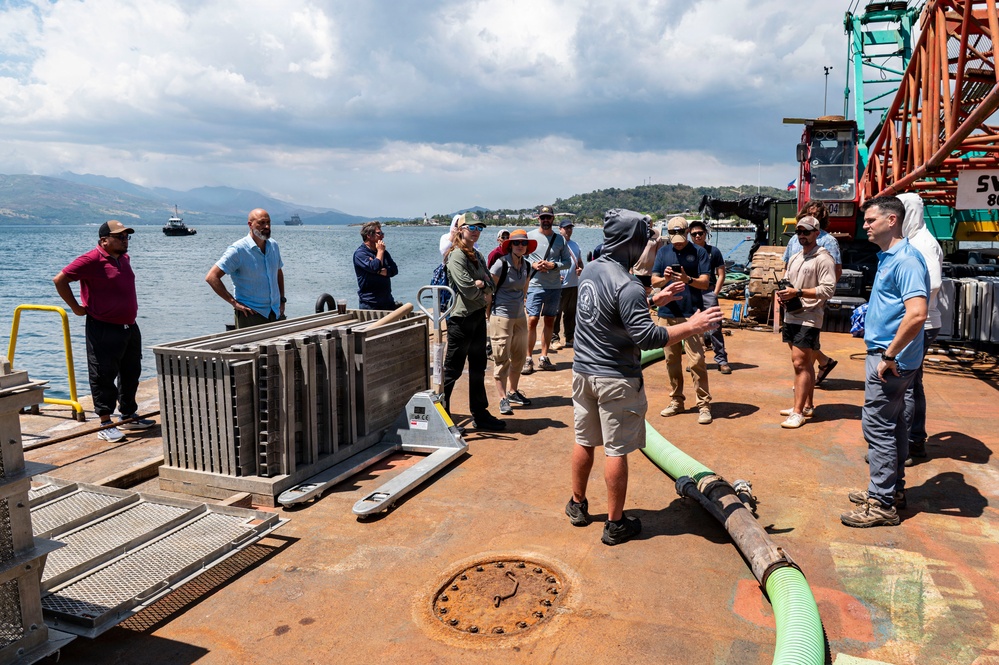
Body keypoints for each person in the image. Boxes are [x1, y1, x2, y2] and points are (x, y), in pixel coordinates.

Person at [566, 208, 722, 545]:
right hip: (615, 379)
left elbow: (607, 314)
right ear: (631, 242)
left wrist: (652, 299)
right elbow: (648, 338)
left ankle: (577, 505)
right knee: (615, 450)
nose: (648, 246)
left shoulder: (592, 268)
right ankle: (615, 524)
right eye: (645, 239)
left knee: (584, 440)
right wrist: (692, 326)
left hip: (582, 372)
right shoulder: (628, 285)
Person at [842, 195, 928, 528]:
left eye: (870, 220)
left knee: (878, 428)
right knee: (895, 427)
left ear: (891, 220)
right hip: (890, 356)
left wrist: (889, 354)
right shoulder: (889, 257)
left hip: (889, 360)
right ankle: (893, 492)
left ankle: (881, 503)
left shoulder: (905, 260)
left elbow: (917, 313)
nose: (864, 225)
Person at [53, 221, 154, 442]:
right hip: (103, 327)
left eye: (127, 236)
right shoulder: (90, 260)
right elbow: (60, 280)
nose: (125, 240)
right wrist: (76, 308)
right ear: (104, 240)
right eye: (120, 237)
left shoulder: (123, 258)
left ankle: (128, 415)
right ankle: (105, 423)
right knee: (103, 375)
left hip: (129, 325)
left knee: (131, 372)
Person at [442, 214, 506, 432]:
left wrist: (482, 284)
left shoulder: (476, 255)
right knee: (452, 370)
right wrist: (481, 285)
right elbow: (468, 290)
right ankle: (443, 417)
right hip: (461, 320)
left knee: (478, 367)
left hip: (478, 316)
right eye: (471, 227)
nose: (476, 230)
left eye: (479, 227)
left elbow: (491, 285)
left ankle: (480, 414)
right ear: (460, 229)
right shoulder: (456, 256)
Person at [775, 216, 836, 429]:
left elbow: (829, 289)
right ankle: (807, 405)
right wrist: (782, 293)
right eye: (799, 231)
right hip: (792, 314)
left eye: (806, 232)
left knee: (800, 363)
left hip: (810, 316)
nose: (802, 235)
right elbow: (788, 281)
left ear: (816, 233)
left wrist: (799, 292)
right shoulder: (795, 257)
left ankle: (798, 412)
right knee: (805, 363)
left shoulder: (823, 258)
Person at [651, 217, 714, 424]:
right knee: (671, 361)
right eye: (674, 238)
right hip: (667, 314)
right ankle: (677, 400)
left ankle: (703, 404)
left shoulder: (699, 252)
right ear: (668, 234)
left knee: (697, 360)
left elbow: (705, 283)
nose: (678, 242)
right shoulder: (663, 252)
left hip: (692, 315)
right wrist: (666, 279)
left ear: (687, 232)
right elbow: (654, 281)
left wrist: (688, 280)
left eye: (681, 236)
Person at [898, 193, 943, 465]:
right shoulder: (914, 240)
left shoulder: (922, 243)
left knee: (906, 386)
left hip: (920, 324)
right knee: (914, 383)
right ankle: (915, 439)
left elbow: (933, 283)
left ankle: (908, 445)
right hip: (922, 322)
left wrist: (909, 306)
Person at [783, 201, 843, 385]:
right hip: (791, 300)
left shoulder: (828, 241)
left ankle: (804, 389)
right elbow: (787, 263)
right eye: (808, 213)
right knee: (796, 346)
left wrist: (818, 295)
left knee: (803, 350)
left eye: (816, 215)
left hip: (811, 300)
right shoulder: (795, 239)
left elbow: (836, 271)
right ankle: (824, 362)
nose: (802, 234)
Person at [206, 208, 285, 329]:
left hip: (275, 312)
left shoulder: (273, 246)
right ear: (250, 224)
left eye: (268, 222)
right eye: (262, 223)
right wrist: (234, 303)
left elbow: (278, 272)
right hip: (251, 315)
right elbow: (212, 277)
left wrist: (282, 300)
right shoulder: (238, 250)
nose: (267, 226)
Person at [489, 229, 534, 415]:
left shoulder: (527, 266)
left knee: (519, 357)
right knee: (501, 358)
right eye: (516, 243)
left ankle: (513, 391)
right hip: (501, 316)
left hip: (519, 316)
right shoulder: (500, 265)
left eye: (523, 243)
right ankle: (502, 398)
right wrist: (489, 315)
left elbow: (525, 289)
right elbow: (489, 292)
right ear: (510, 245)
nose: (520, 246)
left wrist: (521, 308)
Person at [523, 206, 572, 374]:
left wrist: (553, 265)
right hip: (535, 285)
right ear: (538, 218)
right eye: (543, 217)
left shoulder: (560, 240)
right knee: (532, 320)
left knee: (550, 320)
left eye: (548, 217)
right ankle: (528, 358)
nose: (545, 220)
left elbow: (568, 262)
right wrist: (533, 264)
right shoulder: (529, 237)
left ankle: (543, 357)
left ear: (552, 219)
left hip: (554, 287)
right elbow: (519, 257)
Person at [688, 220, 731, 374]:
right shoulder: (687, 252)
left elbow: (721, 274)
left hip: (708, 292)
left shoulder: (714, 251)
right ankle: (696, 360)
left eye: (700, 233)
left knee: (715, 328)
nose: (698, 236)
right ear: (690, 235)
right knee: (693, 329)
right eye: (694, 234)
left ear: (706, 234)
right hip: (692, 293)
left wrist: (715, 293)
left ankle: (721, 360)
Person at [551, 219, 583, 350]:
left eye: (570, 228)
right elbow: (549, 262)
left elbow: (580, 262)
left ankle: (570, 337)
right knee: (556, 312)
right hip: (559, 285)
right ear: (560, 229)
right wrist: (555, 275)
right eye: (566, 228)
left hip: (573, 284)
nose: (568, 230)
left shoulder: (575, 245)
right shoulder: (555, 245)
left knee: (571, 312)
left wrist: (580, 269)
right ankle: (554, 338)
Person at [353, 221, 399, 310]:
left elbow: (395, 269)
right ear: (369, 236)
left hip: (387, 301)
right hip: (370, 303)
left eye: (382, 233)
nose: (382, 236)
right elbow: (375, 267)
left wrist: (386, 272)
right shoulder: (360, 254)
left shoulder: (384, 252)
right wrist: (380, 252)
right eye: (379, 233)